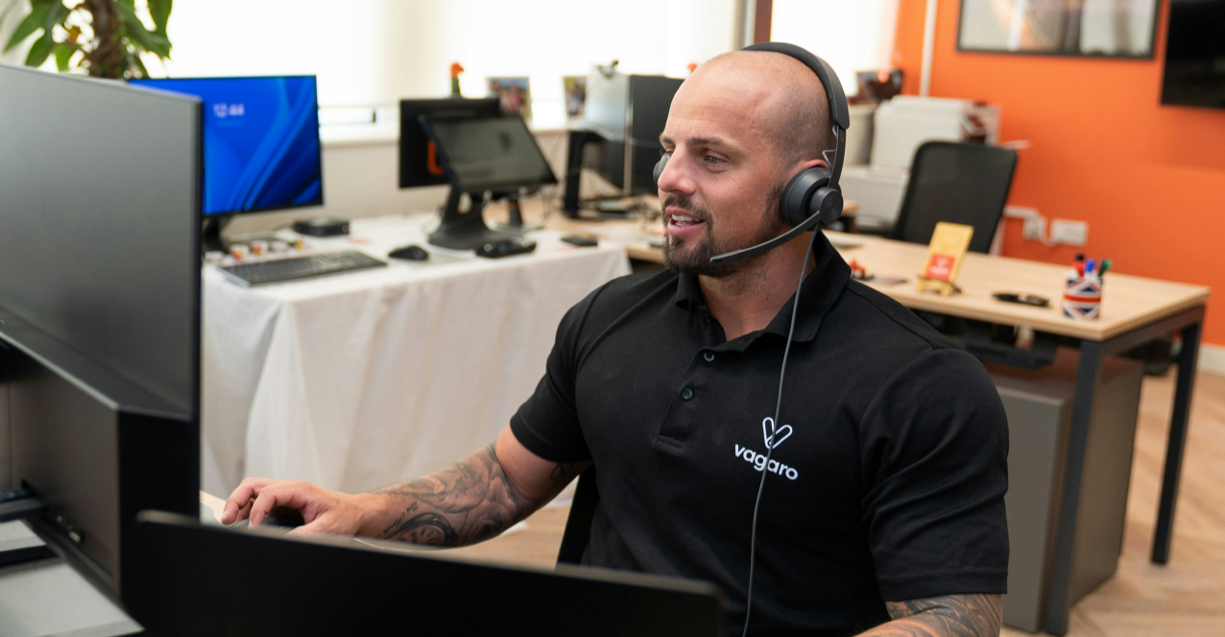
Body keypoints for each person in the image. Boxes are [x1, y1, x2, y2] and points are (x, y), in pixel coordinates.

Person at [222, 48, 1009, 637]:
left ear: (809, 190)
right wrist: (358, 510)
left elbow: (955, 616)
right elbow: (504, 480)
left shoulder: (921, 383)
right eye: (670, 149)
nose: (669, 179)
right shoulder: (610, 316)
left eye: (712, 157)